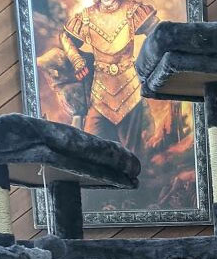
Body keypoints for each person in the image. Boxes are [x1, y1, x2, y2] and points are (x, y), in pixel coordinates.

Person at [61, 0, 157, 152]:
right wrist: (77, 60)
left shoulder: (133, 10)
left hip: (130, 92)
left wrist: (151, 62)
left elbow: (158, 32)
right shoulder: (86, 16)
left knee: (132, 152)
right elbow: (66, 38)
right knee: (92, 147)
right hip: (100, 94)